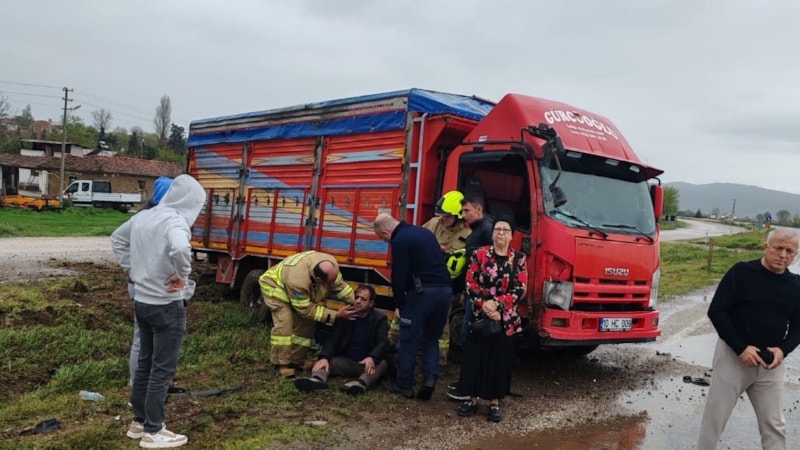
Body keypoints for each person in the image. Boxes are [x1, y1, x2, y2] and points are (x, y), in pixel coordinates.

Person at [110, 174, 207, 448]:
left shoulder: (145, 216)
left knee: (145, 363)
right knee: (162, 369)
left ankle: (139, 422)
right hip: (166, 306)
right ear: (192, 202)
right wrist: (183, 275)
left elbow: (117, 238)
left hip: (142, 302)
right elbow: (179, 247)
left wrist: (134, 269)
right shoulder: (175, 220)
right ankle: (154, 430)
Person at [697, 229, 800, 450]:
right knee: (715, 419)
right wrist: (741, 348)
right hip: (733, 358)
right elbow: (717, 311)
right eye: (778, 248)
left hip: (770, 364)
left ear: (796, 255)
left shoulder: (796, 285)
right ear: (766, 247)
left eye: (790, 251)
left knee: (775, 424)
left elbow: (798, 327)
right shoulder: (741, 273)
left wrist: (783, 350)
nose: (783, 254)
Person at [373, 213, 452, 400]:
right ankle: (429, 379)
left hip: (423, 294)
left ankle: (404, 384)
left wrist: (399, 303)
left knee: (408, 339)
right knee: (431, 338)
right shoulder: (424, 233)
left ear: (386, 231)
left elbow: (399, 276)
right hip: (445, 292)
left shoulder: (400, 240)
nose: (385, 242)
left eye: (383, 238)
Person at [456, 216, 527, 423]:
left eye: (505, 230)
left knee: (499, 361)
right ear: (492, 233)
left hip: (505, 320)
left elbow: (520, 289)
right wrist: (486, 307)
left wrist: (497, 305)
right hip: (480, 315)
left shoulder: (519, 259)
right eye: (497, 229)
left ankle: (494, 402)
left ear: (512, 235)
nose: (501, 233)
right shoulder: (480, 255)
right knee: (474, 359)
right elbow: (470, 283)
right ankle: (471, 399)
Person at [259, 250, 357, 378]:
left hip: (296, 287)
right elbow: (306, 311)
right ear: (318, 279)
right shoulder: (297, 281)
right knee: (285, 325)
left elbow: (340, 287)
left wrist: (355, 302)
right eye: (327, 283)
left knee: (307, 325)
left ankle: (295, 361)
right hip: (276, 288)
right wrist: (336, 315)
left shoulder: (331, 266)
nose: (330, 285)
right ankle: (280, 365)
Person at [294, 284, 390, 396]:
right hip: (346, 361)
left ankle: (359, 385)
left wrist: (372, 357)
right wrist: (324, 357)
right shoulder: (346, 315)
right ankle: (317, 380)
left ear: (371, 303)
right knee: (327, 361)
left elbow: (383, 342)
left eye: (363, 299)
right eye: (356, 297)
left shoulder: (380, 318)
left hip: (366, 363)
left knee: (382, 364)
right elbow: (333, 339)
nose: (358, 301)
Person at [128, 177, 175, 388]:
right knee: (149, 339)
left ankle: (145, 382)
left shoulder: (145, 217)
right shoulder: (156, 219)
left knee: (148, 339)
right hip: (152, 287)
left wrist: (131, 269)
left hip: (145, 284)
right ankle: (145, 383)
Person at [448, 193, 494, 401]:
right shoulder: (483, 229)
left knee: (470, 339)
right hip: (479, 295)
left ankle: (467, 386)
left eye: (466, 211)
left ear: (479, 210)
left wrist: (469, 292)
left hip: (478, 298)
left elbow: (479, 268)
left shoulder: (483, 232)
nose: (463, 215)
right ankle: (470, 383)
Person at [420, 190, 471, 366]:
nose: (443, 219)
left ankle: (439, 360)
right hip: (424, 280)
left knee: (441, 326)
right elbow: (417, 240)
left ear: (458, 216)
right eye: (441, 215)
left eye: (447, 216)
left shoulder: (468, 235)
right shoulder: (433, 223)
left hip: (446, 287)